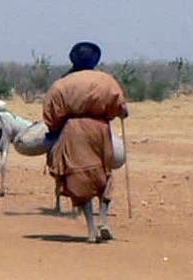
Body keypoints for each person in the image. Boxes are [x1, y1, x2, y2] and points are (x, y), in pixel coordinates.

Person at [43, 42, 129, 243]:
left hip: (73, 131)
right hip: (100, 130)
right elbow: (120, 108)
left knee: (80, 177)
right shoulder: (107, 80)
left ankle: (91, 229)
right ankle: (103, 219)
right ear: (95, 60)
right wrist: (121, 112)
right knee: (104, 173)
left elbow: (51, 115)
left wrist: (54, 131)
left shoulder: (61, 84)